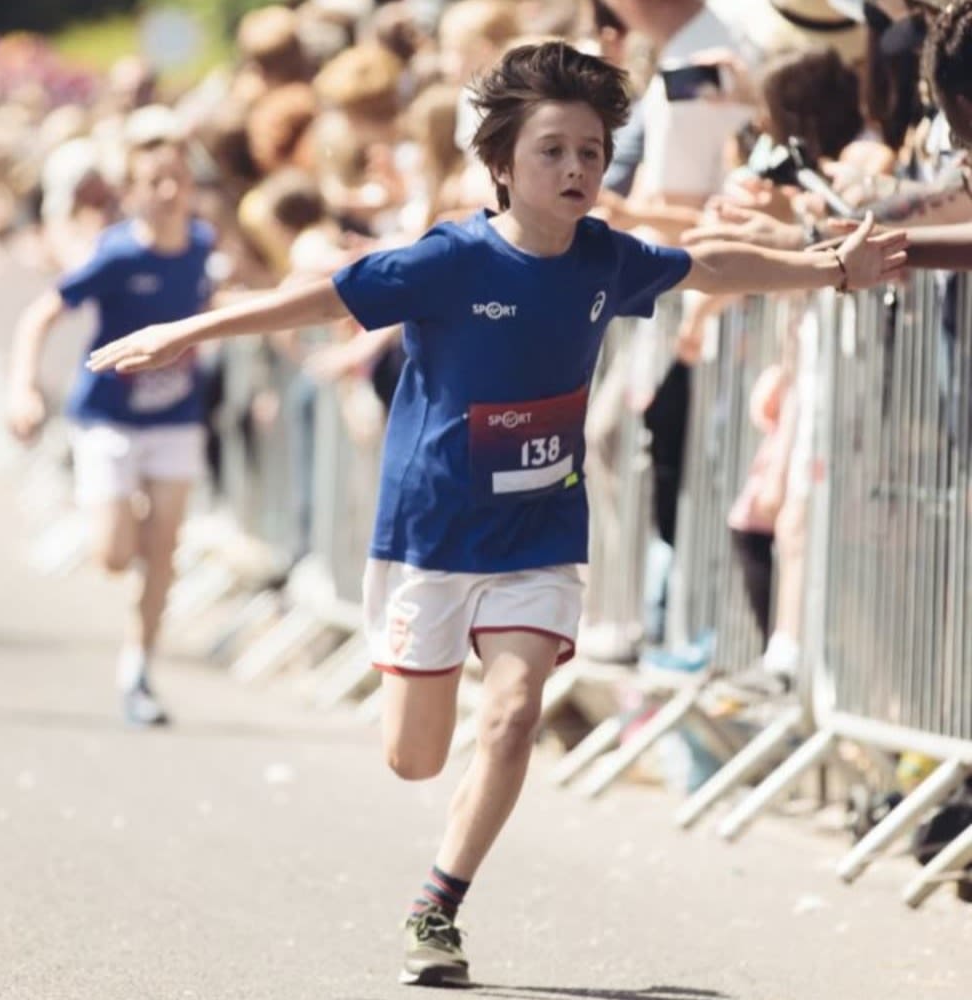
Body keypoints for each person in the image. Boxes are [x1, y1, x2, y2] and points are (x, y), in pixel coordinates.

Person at [88, 41, 905, 986]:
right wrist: (183, 332)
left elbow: (709, 264)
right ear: (503, 164)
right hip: (431, 536)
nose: (576, 170)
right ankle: (440, 732)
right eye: (553, 151)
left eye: (592, 152)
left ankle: (437, 905)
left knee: (513, 716)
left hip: (539, 534)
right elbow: (318, 299)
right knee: (414, 759)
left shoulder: (605, 258)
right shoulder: (449, 259)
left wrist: (826, 268)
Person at [6, 123, 215, 728]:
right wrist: (23, 386)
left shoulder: (203, 244)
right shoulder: (119, 254)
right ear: (131, 192)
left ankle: (139, 668)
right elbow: (41, 312)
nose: (171, 190)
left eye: (179, 178)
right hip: (110, 419)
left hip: (176, 417)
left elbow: (226, 299)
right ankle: (112, 521)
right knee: (116, 556)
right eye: (156, 181)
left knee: (165, 547)